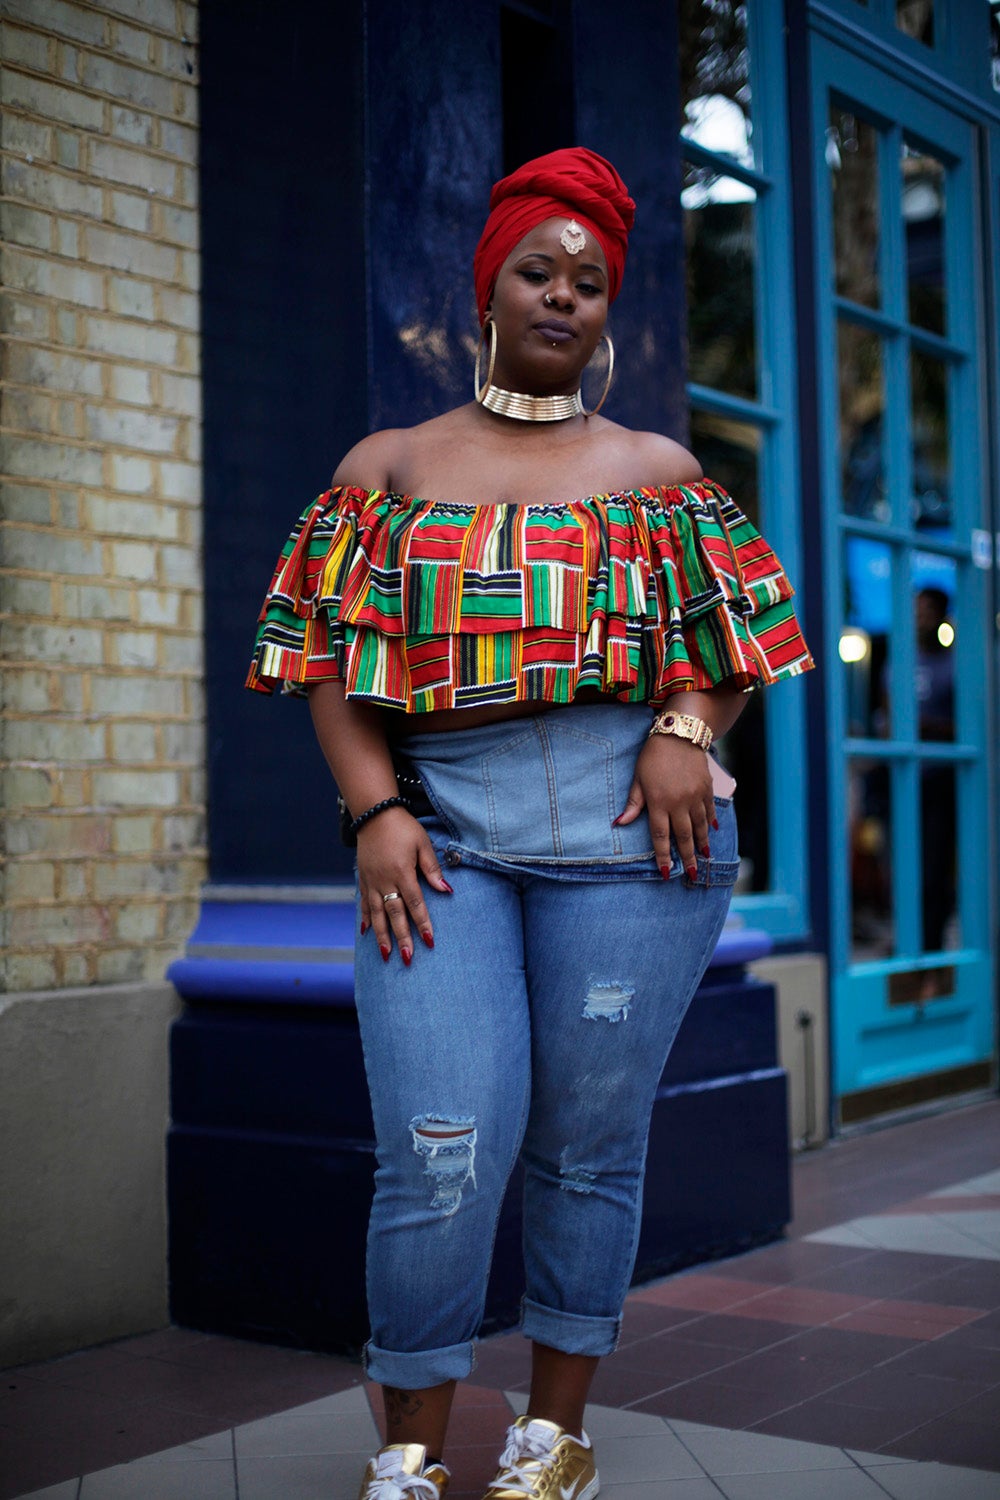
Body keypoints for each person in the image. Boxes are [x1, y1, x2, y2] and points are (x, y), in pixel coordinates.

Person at [247, 148, 812, 1500]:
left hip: (636, 847)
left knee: (587, 1148)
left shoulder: (654, 468)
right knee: (441, 1146)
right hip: (439, 836)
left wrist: (687, 728)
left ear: (608, 309)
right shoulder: (389, 468)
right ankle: (406, 1458)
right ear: (486, 288)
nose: (565, 296)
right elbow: (327, 663)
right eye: (537, 273)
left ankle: (552, 1443)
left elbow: (739, 635)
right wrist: (373, 809)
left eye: (591, 282)